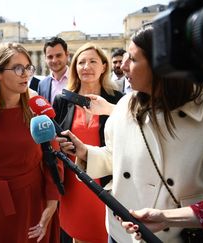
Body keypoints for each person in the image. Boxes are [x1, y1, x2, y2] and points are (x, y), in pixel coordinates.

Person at [57, 26, 203, 243]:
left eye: (133, 58)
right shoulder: (124, 105)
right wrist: (86, 153)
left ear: (161, 64)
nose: (124, 66)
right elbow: (113, 157)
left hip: (182, 236)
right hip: (122, 232)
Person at [0, 42, 60, 243]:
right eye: (17, 68)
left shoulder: (38, 111)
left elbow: (53, 161)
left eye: (28, 68)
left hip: (33, 204)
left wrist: (51, 205)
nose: (25, 74)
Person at [52, 43, 123, 243]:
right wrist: (59, 145)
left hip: (107, 183)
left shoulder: (118, 100)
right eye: (81, 62)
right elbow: (51, 141)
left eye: (92, 61)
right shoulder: (62, 99)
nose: (86, 66)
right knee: (77, 233)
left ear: (103, 66)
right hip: (73, 182)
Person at [37, 37, 69, 104]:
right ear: (45, 58)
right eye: (50, 57)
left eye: (58, 55)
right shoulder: (42, 84)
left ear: (67, 55)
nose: (54, 60)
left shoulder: (78, 80)